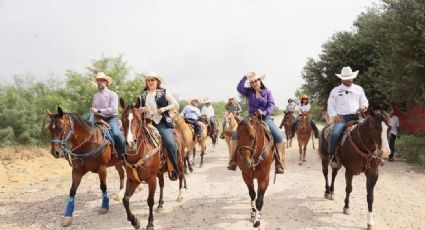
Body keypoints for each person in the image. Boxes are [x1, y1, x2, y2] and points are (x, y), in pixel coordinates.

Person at [228, 72, 286, 174]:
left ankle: (279, 163)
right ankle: (233, 160)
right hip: (251, 117)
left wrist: (264, 112)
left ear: (260, 81)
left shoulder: (267, 92)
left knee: (279, 136)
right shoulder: (249, 92)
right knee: (235, 135)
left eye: (256, 81)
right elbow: (239, 88)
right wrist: (245, 77)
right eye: (252, 82)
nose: (254, 83)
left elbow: (271, 104)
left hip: (265, 118)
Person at [139, 70, 180, 179]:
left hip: (161, 122)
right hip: (147, 122)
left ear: (157, 81)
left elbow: (176, 104)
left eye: (152, 80)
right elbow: (139, 107)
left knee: (170, 143)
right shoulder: (143, 94)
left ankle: (175, 168)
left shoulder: (164, 92)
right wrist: (141, 109)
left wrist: (163, 109)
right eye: (148, 80)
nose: (150, 82)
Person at [327, 66, 369, 167]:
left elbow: (364, 101)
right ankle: (332, 156)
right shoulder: (335, 90)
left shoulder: (359, 89)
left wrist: (363, 107)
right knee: (335, 134)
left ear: (352, 78)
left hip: (357, 116)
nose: (348, 80)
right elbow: (330, 104)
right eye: (346, 78)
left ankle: (375, 155)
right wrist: (334, 115)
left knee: (370, 130)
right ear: (342, 79)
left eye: (350, 78)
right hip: (342, 118)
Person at [91, 72, 126, 159]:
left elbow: (113, 110)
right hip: (98, 119)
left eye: (101, 81)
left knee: (116, 134)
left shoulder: (113, 94)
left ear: (106, 82)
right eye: (98, 81)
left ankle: (124, 155)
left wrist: (99, 110)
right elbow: (94, 108)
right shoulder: (95, 96)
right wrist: (94, 112)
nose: (99, 83)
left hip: (111, 119)